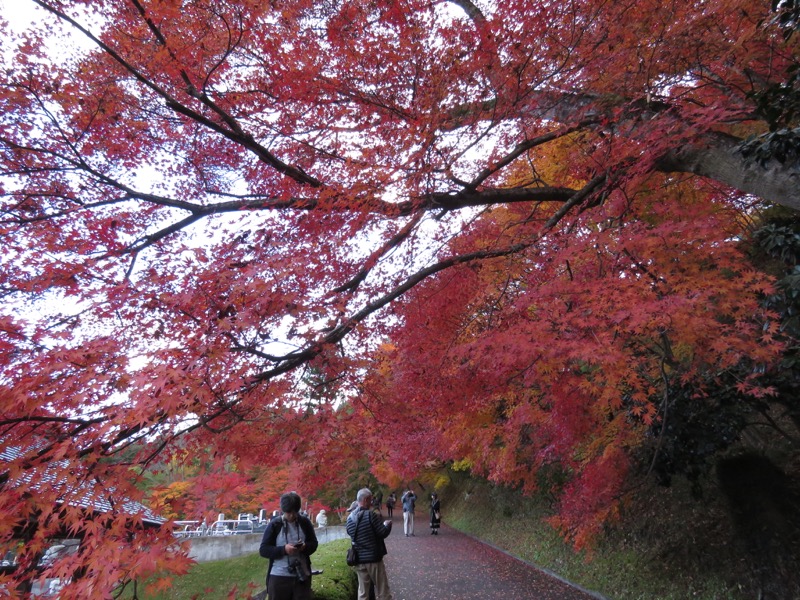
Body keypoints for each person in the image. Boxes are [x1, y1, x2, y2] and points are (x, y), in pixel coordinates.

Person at [259, 491, 319, 600]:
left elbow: (314, 543)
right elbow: (263, 550)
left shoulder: (305, 522)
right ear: (283, 510)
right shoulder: (275, 525)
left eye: (294, 512)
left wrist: (304, 547)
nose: (291, 515)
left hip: (301, 577)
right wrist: (283, 550)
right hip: (278, 577)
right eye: (288, 512)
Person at [346, 487, 394, 600]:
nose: (372, 502)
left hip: (359, 560)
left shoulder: (349, 519)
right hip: (374, 559)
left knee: (363, 593)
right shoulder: (370, 515)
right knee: (383, 592)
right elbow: (382, 533)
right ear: (366, 499)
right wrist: (387, 525)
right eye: (371, 499)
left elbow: (351, 534)